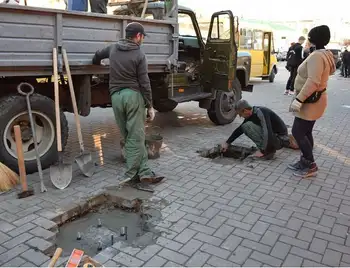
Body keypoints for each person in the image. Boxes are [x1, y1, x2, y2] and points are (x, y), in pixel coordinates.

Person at [92, 22, 164, 184]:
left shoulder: (112, 48)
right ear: (138, 36)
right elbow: (145, 82)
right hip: (133, 97)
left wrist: (98, 64)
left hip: (116, 98)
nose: (143, 39)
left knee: (128, 136)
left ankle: (144, 171)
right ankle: (133, 173)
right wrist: (150, 105)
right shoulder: (139, 54)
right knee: (136, 137)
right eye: (143, 36)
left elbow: (97, 55)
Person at [288, 25, 335, 178]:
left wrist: (298, 99)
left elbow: (313, 81)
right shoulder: (325, 54)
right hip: (316, 100)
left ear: (313, 39)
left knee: (297, 131)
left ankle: (311, 164)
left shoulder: (317, 56)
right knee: (306, 131)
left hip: (310, 101)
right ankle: (305, 160)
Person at [221, 100, 298, 160]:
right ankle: (268, 148)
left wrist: (264, 151)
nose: (241, 117)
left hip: (280, 139)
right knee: (245, 126)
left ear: (245, 110)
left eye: (240, 114)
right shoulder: (251, 114)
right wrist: (227, 142)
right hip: (275, 137)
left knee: (248, 126)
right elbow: (239, 130)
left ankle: (269, 152)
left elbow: (267, 132)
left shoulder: (261, 112)